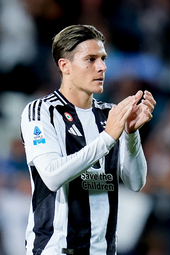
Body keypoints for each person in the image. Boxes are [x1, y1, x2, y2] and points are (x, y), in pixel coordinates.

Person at [20, 24, 156, 255]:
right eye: (91, 59)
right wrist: (107, 138)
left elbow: (135, 182)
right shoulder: (41, 111)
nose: (102, 67)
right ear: (65, 66)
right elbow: (52, 176)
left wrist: (131, 135)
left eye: (103, 58)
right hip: (56, 249)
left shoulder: (110, 114)